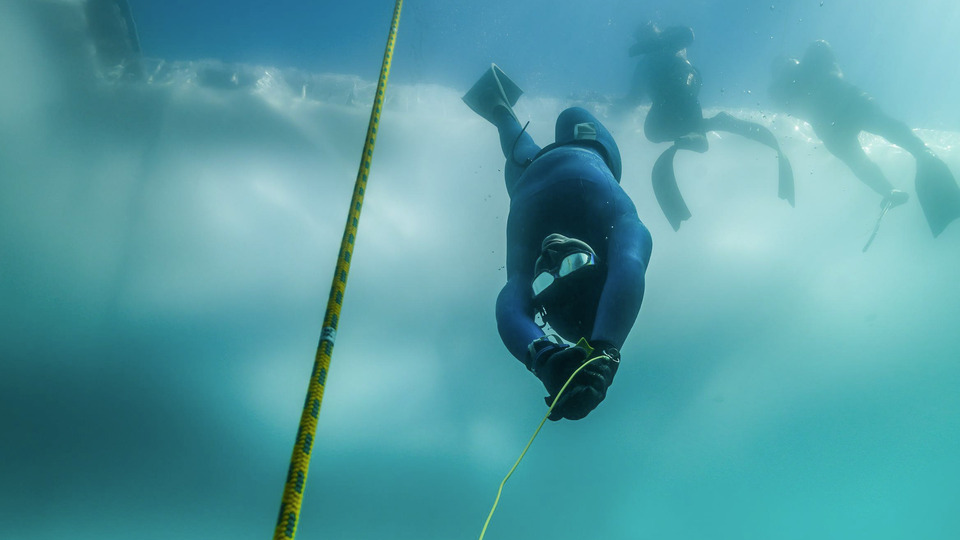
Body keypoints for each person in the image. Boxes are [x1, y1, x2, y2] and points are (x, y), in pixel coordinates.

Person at [462, 64, 653, 421]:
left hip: (527, 178)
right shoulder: (619, 229)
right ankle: (500, 109)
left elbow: (510, 305)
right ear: (602, 266)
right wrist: (606, 352)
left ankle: (500, 109)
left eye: (544, 280)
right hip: (585, 153)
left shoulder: (529, 258)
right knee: (571, 118)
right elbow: (629, 266)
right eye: (571, 264)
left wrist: (543, 358)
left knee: (526, 147)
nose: (549, 257)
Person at [770, 40, 960, 238]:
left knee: (884, 129)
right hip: (834, 124)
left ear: (795, 59)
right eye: (779, 67)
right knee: (859, 158)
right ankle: (890, 189)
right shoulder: (784, 88)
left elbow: (824, 55)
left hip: (847, 109)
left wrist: (806, 70)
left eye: (786, 61)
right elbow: (790, 104)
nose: (785, 66)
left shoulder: (809, 64)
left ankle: (919, 154)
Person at [626, 22, 795, 231]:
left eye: (648, 32)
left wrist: (660, 42)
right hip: (664, 102)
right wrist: (608, 104)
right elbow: (632, 99)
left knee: (682, 97)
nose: (645, 38)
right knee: (652, 133)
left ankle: (698, 131)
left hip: (685, 82)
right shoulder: (643, 65)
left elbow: (688, 34)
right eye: (642, 36)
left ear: (655, 31)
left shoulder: (669, 43)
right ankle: (710, 124)